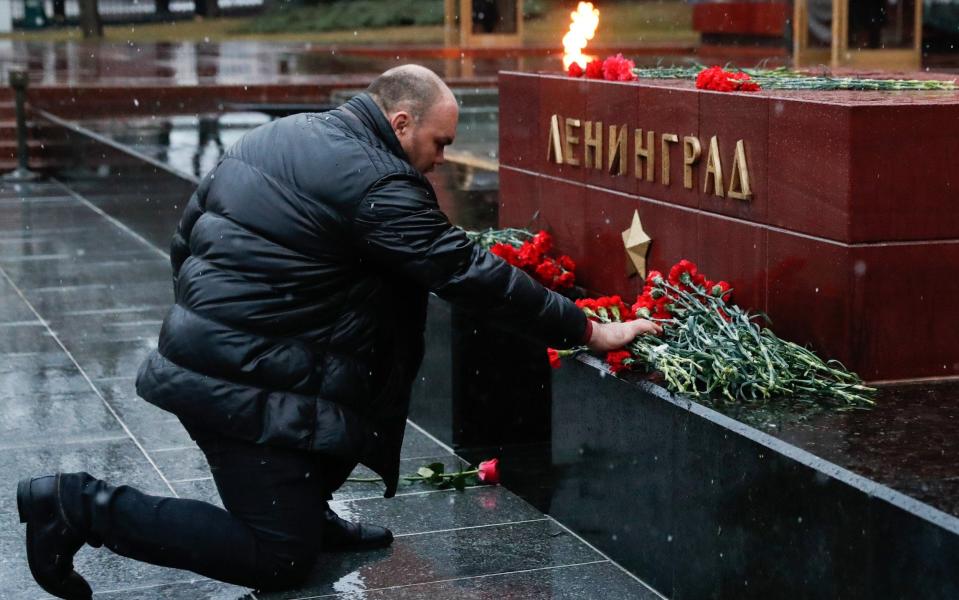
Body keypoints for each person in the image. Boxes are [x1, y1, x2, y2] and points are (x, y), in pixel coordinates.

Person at [16, 65, 662, 599]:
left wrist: (228, 313)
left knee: (338, 398)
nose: (439, 161)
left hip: (230, 353)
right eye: (438, 143)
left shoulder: (283, 136)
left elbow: (187, 239)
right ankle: (79, 506)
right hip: (238, 383)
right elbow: (464, 273)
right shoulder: (377, 182)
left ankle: (306, 509)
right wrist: (584, 329)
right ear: (400, 122)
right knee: (276, 560)